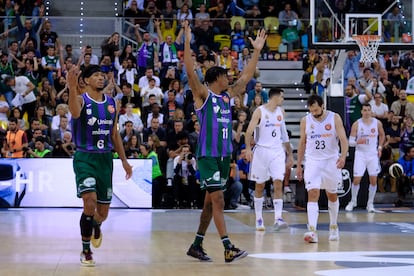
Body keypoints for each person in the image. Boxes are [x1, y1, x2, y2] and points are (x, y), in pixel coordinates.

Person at [183, 20, 266, 263]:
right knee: (218, 199)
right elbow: (190, 72)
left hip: (222, 157)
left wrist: (257, 51)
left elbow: (247, 76)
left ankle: (196, 245)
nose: (229, 78)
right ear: (215, 78)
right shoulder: (203, 96)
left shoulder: (227, 97)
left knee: (210, 204)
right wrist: (187, 44)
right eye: (225, 76)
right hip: (207, 156)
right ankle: (228, 247)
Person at [67, 65, 133, 266]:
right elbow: (75, 113)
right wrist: (71, 87)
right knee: (89, 201)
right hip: (85, 157)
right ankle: (86, 251)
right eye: (95, 75)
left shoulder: (112, 103)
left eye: (102, 75)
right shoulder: (80, 100)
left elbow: (114, 134)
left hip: (106, 159)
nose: (100, 78)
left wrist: (124, 161)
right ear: (86, 80)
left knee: (103, 213)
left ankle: (95, 224)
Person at [296, 95, 348, 243]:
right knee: (313, 193)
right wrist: (299, 165)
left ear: (322, 106)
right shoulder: (306, 120)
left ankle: (333, 226)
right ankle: (312, 230)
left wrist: (343, 157)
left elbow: (343, 140)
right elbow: (302, 143)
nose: (314, 113)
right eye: (311, 110)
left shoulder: (334, 118)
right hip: (312, 161)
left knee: (332, 194)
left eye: (316, 110)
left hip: (331, 160)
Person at [244, 88, 294, 231]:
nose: (283, 100)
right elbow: (249, 132)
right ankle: (259, 218)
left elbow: (284, 135)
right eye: (282, 97)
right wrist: (248, 149)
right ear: (275, 97)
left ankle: (278, 218)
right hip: (261, 151)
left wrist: (290, 154)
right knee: (259, 185)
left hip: (277, 151)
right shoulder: (259, 111)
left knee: (278, 182)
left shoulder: (281, 112)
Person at [345, 104, 385, 213]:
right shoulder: (357, 124)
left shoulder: (377, 123)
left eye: (368, 110)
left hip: (373, 154)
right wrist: (358, 141)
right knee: (357, 179)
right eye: (364, 110)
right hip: (360, 154)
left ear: (371, 111)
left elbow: (382, 135)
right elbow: (350, 142)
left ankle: (370, 203)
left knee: (373, 180)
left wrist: (380, 147)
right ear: (361, 111)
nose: (366, 112)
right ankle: (353, 201)